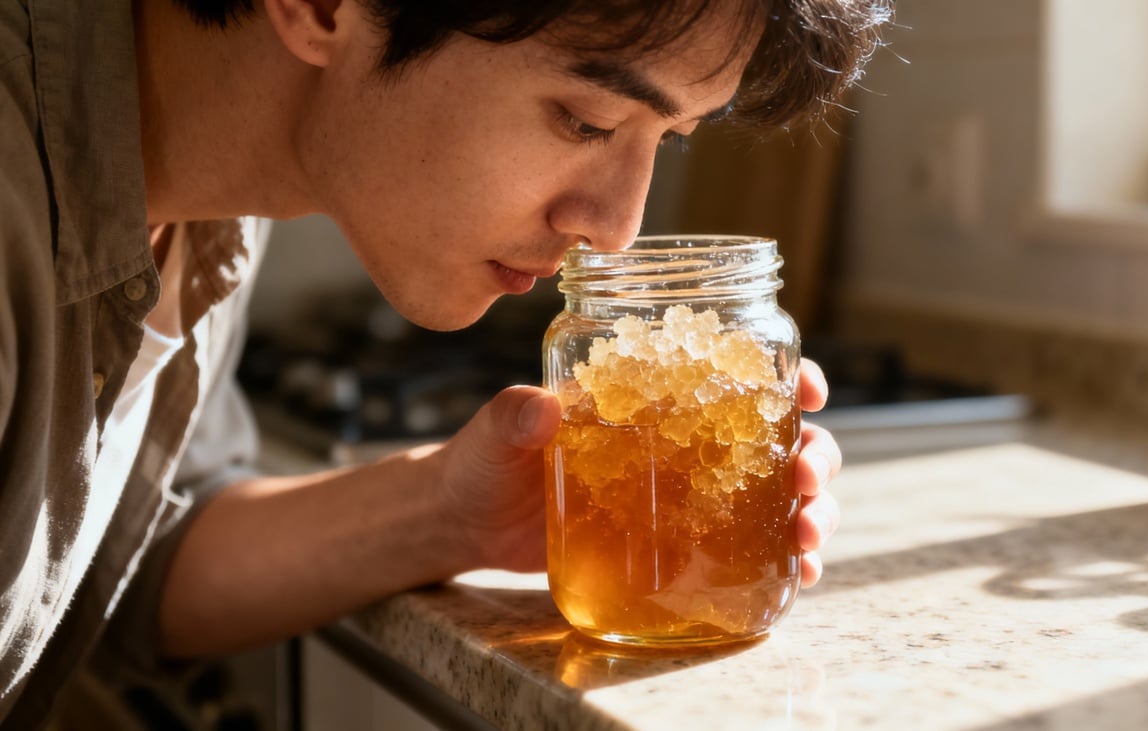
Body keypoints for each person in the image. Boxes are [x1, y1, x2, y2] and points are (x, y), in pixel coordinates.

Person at [0, 0, 891, 726]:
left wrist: (454, 514)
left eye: (671, 139)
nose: (617, 229)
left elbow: (127, 565)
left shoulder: (231, 195)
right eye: (584, 119)